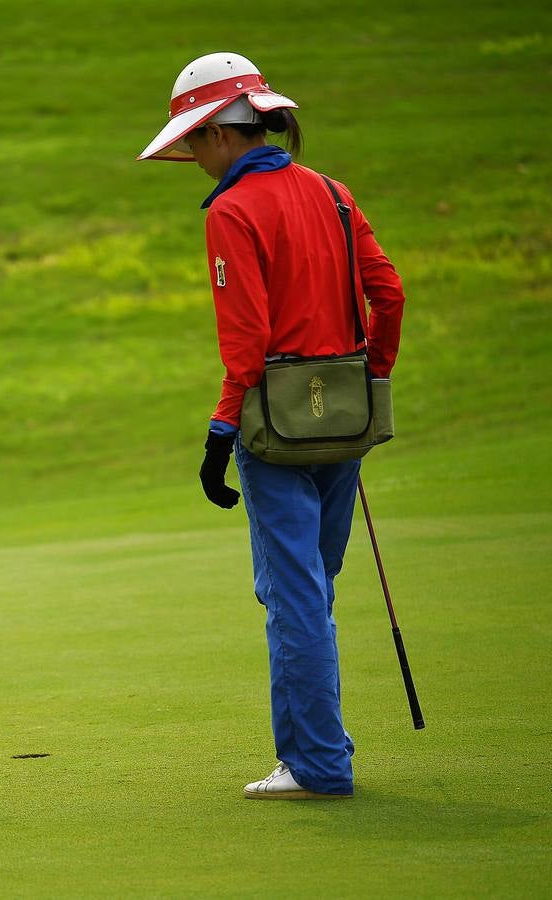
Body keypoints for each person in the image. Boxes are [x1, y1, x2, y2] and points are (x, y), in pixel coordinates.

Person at [138, 53, 405, 799]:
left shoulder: (231, 210)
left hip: (276, 430)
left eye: (193, 141)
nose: (191, 156)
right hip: (346, 420)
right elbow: (389, 293)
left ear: (223, 134)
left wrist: (219, 435)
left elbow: (247, 342)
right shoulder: (333, 192)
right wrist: (370, 377)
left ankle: (318, 764)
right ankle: (310, 751)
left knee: (295, 597)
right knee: (310, 594)